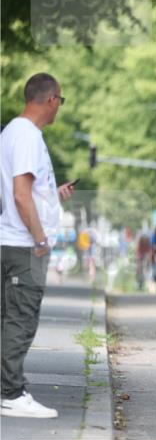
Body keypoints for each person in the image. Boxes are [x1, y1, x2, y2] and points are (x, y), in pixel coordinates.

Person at [1, 73, 75, 419]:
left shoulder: (11, 133)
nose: (59, 107)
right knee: (20, 320)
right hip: (22, 246)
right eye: (61, 100)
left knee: (9, 319)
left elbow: (23, 190)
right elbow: (19, 194)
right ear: (51, 100)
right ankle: (10, 393)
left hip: (11, 241)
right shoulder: (28, 137)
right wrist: (40, 240)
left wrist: (53, 196)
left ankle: (9, 388)